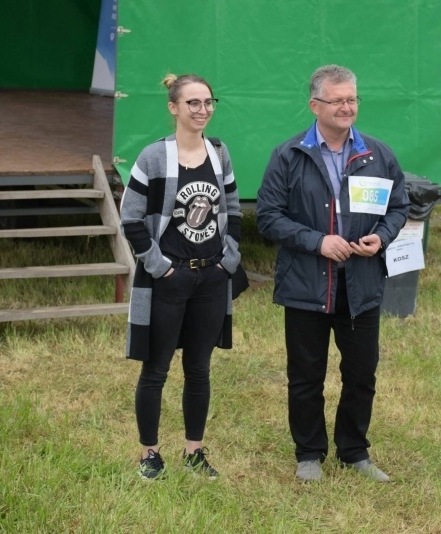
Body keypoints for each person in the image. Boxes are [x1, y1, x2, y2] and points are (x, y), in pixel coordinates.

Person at [256, 64, 409, 483]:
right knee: (306, 375)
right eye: (338, 100)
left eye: (352, 99)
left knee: (361, 374)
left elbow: (399, 207)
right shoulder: (288, 155)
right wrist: (317, 241)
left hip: (361, 284)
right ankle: (309, 453)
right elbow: (268, 217)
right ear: (314, 105)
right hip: (306, 284)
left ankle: (354, 452)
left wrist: (382, 237)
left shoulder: (378, 154)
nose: (347, 107)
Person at [120, 73, 243, 480]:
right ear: (173, 107)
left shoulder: (219, 152)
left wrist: (228, 260)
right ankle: (150, 454)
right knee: (156, 370)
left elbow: (233, 209)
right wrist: (161, 268)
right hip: (169, 280)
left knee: (199, 368)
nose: (202, 110)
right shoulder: (153, 158)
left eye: (208, 102)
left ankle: (194, 451)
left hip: (211, 279)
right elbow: (130, 219)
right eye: (193, 103)